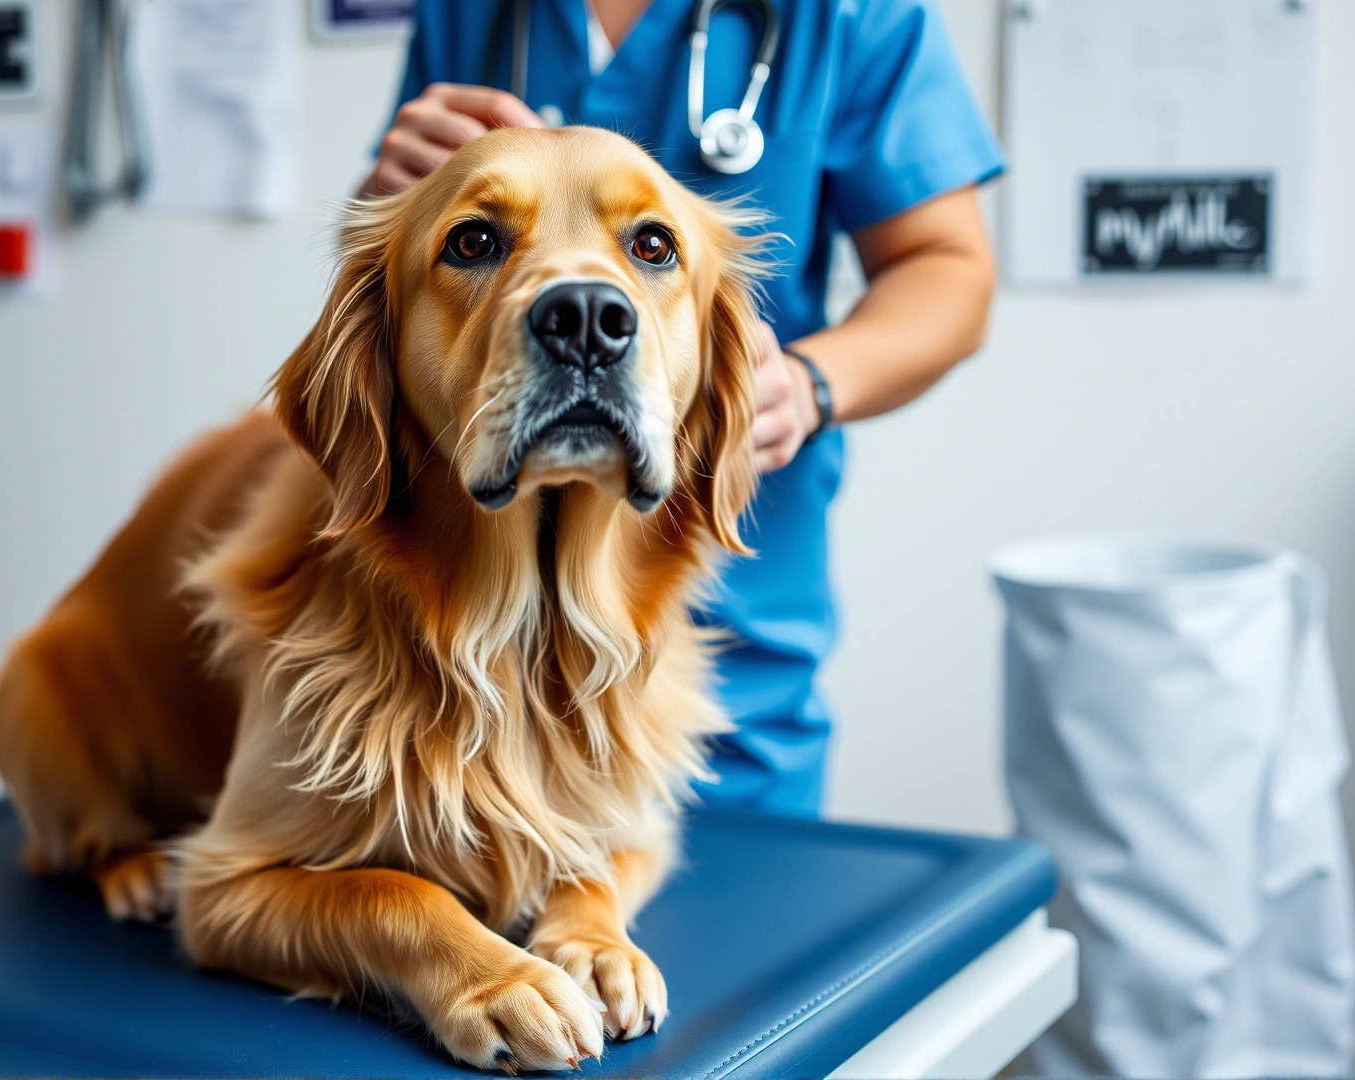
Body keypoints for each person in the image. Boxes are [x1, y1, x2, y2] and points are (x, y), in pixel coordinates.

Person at [363, 0, 1001, 816]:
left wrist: (806, 386)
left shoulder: (853, 14)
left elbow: (947, 266)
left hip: (726, 652)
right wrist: (395, 193)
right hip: (448, 691)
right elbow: (399, 294)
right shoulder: (470, 14)